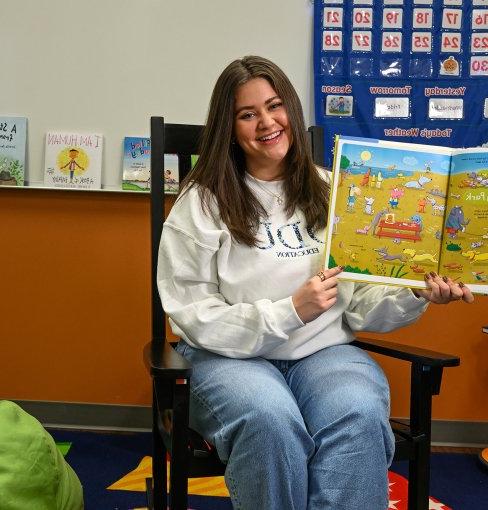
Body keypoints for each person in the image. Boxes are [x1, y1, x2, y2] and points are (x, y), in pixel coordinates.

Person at [157, 55, 474, 510]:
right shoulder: (201, 203)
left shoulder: (334, 191)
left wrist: (416, 292)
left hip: (324, 353)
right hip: (228, 358)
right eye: (248, 114)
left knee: (359, 412)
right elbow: (190, 311)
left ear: (293, 109)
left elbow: (362, 303)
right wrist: (290, 311)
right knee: (269, 418)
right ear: (228, 127)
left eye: (275, 105)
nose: (267, 122)